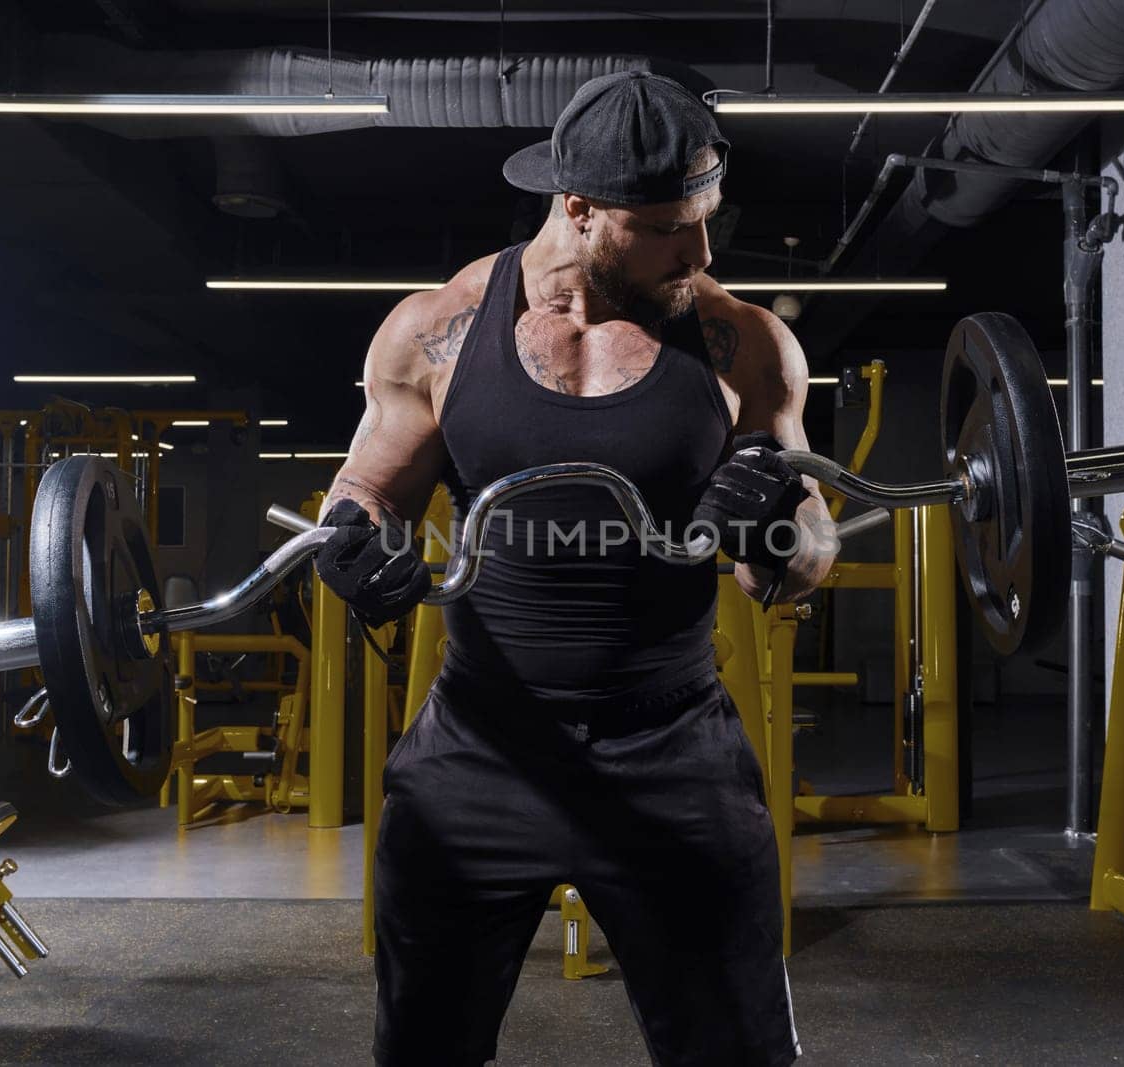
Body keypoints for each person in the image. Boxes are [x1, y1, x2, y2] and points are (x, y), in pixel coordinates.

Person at [313, 70, 837, 1067]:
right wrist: (354, 542)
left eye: (706, 217)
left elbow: (810, 552)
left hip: (673, 748)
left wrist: (778, 529)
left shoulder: (743, 344)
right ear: (580, 207)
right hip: (478, 749)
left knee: (738, 1050)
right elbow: (365, 487)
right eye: (667, 227)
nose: (701, 251)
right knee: (421, 1045)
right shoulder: (440, 330)